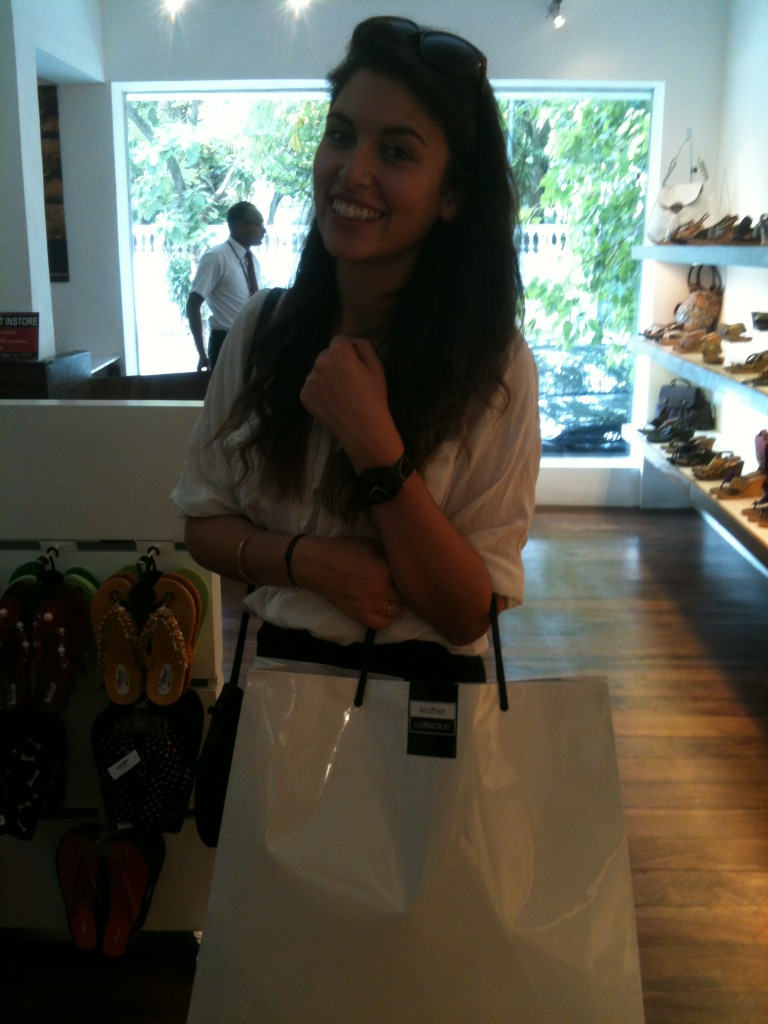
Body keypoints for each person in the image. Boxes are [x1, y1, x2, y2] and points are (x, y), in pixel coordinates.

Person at [172, 16, 540, 682]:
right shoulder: (262, 329)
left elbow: (468, 613)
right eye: (341, 135)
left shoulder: (493, 363)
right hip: (283, 691)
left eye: (396, 152)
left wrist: (374, 444)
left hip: (427, 704)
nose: (352, 171)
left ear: (452, 193)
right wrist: (305, 561)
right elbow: (202, 521)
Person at [186, 201, 266, 371]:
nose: (264, 230)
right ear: (240, 227)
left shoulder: (253, 260)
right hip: (225, 342)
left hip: (252, 342)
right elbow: (193, 304)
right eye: (259, 224)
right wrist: (202, 354)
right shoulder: (216, 257)